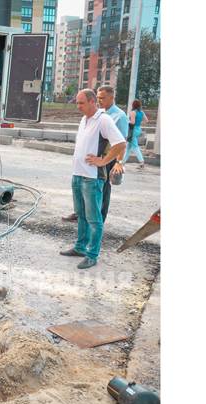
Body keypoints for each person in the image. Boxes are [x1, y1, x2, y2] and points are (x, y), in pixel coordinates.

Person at [60, 89, 126, 269]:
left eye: (81, 103)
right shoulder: (84, 119)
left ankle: (92, 254)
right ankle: (80, 247)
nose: (78, 106)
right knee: (81, 215)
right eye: (77, 103)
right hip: (78, 174)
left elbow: (120, 143)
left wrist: (103, 161)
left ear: (92, 102)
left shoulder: (103, 120)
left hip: (92, 177)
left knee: (94, 219)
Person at [62, 85, 127, 223]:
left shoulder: (119, 116)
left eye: (102, 98)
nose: (99, 101)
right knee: (86, 190)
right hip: (93, 158)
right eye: (97, 98)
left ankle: (99, 220)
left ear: (112, 97)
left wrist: (118, 162)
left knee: (103, 190)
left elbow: (122, 142)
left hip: (107, 158)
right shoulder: (95, 114)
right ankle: (81, 214)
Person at [122, 99, 148, 169]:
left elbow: (132, 122)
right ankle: (123, 162)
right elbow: (146, 120)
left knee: (135, 147)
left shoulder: (133, 112)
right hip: (138, 129)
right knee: (128, 147)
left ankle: (141, 162)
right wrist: (139, 123)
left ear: (133, 105)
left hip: (132, 130)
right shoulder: (141, 112)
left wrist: (126, 121)